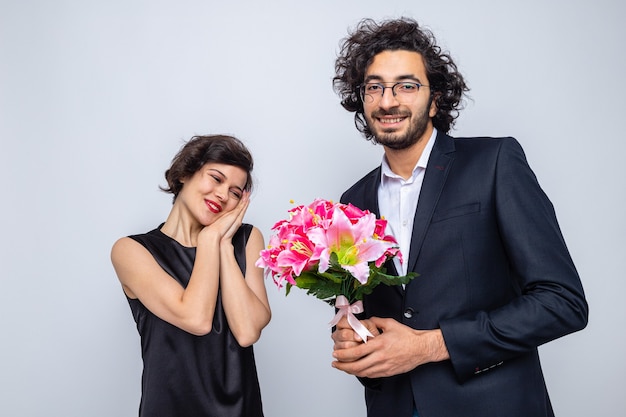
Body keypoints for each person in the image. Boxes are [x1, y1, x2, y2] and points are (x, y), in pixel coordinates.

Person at [329, 17, 588, 417]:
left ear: (434, 100)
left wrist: (431, 345)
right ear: (361, 99)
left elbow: (562, 302)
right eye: (374, 86)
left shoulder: (494, 162)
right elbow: (366, 316)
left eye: (407, 85)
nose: (387, 100)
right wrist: (351, 336)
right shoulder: (352, 202)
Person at [111, 135, 271, 417]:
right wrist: (210, 239)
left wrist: (222, 244)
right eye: (216, 178)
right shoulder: (132, 250)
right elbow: (196, 319)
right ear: (185, 173)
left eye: (235, 192)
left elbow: (247, 332)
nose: (223, 195)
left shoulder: (247, 240)